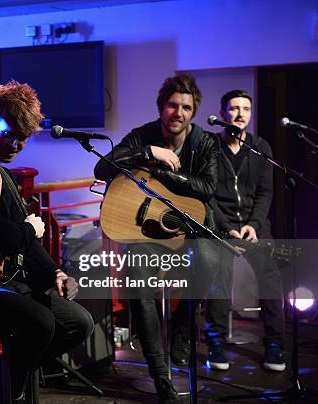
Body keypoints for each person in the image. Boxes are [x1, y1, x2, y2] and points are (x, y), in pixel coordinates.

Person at [0, 81, 94, 401]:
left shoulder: (7, 178)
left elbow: (25, 242)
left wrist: (55, 273)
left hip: (4, 282)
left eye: (22, 138)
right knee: (38, 322)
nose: (14, 145)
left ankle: (2, 383)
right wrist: (29, 229)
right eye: (8, 133)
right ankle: (4, 391)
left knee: (79, 323)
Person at [94, 74, 220, 403]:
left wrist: (163, 173)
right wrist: (150, 152)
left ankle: (181, 327)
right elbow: (102, 168)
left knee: (208, 261)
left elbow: (209, 187)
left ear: (193, 112)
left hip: (190, 230)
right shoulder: (143, 136)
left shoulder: (205, 143)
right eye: (172, 105)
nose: (178, 112)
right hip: (148, 234)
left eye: (186, 107)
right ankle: (160, 375)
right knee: (137, 276)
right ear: (162, 107)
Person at [204, 90, 285, 371]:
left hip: (254, 226)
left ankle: (274, 343)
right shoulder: (210, 146)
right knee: (218, 275)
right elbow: (207, 195)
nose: (240, 114)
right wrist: (226, 228)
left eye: (246, 109)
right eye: (234, 108)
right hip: (220, 227)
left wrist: (254, 225)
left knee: (271, 275)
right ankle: (215, 343)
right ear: (223, 113)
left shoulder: (261, 147)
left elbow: (266, 193)